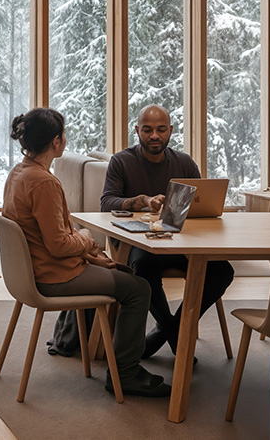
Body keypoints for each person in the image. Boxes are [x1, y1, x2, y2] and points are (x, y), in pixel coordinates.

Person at [6, 108, 168, 398]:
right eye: (63, 135)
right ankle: (126, 374)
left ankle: (120, 359)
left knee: (126, 276)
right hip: (54, 277)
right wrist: (85, 238)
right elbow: (58, 245)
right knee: (138, 288)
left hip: (30, 274)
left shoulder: (19, 173)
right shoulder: (43, 182)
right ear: (56, 142)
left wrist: (82, 242)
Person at [100, 105, 235, 358]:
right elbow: (107, 202)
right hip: (139, 244)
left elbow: (202, 204)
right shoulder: (122, 161)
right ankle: (175, 332)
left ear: (170, 130)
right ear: (137, 130)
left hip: (182, 243)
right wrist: (141, 201)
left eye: (161, 130)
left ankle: (170, 329)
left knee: (222, 271)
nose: (155, 135)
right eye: (148, 130)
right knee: (143, 266)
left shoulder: (184, 162)